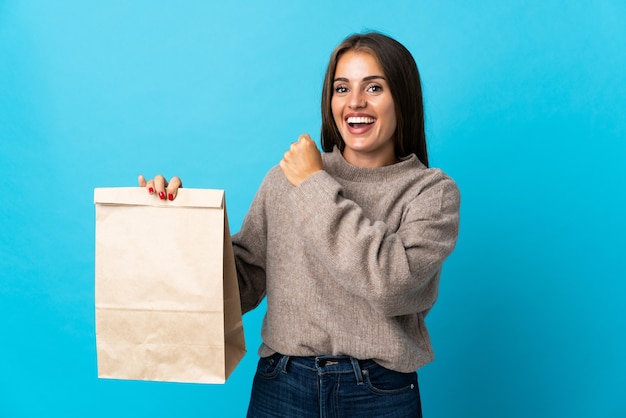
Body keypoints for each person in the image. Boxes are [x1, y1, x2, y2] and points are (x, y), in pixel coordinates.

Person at [139, 32, 460, 418]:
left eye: (373, 87)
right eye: (342, 88)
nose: (354, 102)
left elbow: (391, 285)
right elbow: (241, 284)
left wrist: (314, 185)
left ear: (402, 98)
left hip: (379, 394)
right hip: (283, 386)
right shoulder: (284, 178)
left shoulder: (430, 192)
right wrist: (178, 226)